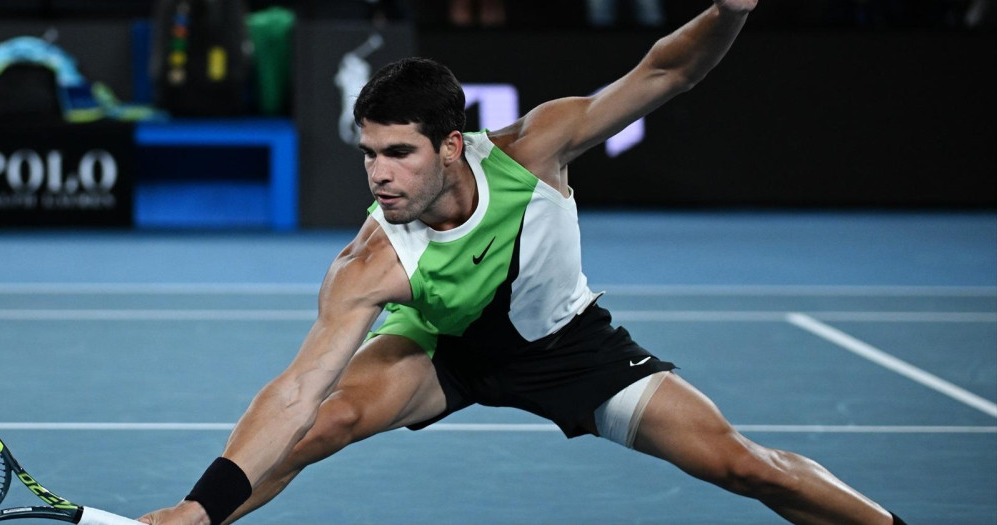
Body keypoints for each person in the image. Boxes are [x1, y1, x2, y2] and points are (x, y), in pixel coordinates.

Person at [139, 1, 905, 523]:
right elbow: (300, 387)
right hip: (444, 350)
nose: (378, 174)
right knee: (321, 423)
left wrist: (729, 10)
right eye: (369, 153)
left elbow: (666, 71)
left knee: (745, 466)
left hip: (571, 347)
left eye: (398, 153)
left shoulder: (535, 151)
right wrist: (199, 504)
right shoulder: (370, 259)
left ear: (449, 146)